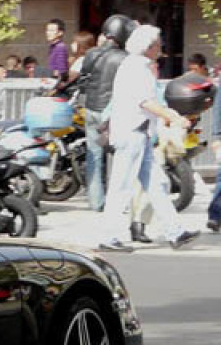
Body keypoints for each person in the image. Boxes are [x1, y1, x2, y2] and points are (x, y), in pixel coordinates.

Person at [96, 24, 198, 251]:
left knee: (156, 184)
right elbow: (146, 102)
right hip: (133, 132)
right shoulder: (138, 68)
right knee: (123, 186)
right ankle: (109, 236)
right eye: (159, 42)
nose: (161, 46)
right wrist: (173, 117)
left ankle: (175, 231)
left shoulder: (134, 65)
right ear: (150, 46)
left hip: (136, 132)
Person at [77, 14, 135, 211]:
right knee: (120, 156)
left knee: (94, 156)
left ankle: (96, 201)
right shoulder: (125, 58)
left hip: (92, 108)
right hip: (113, 112)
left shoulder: (92, 54)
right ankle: (119, 201)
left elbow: (83, 78)